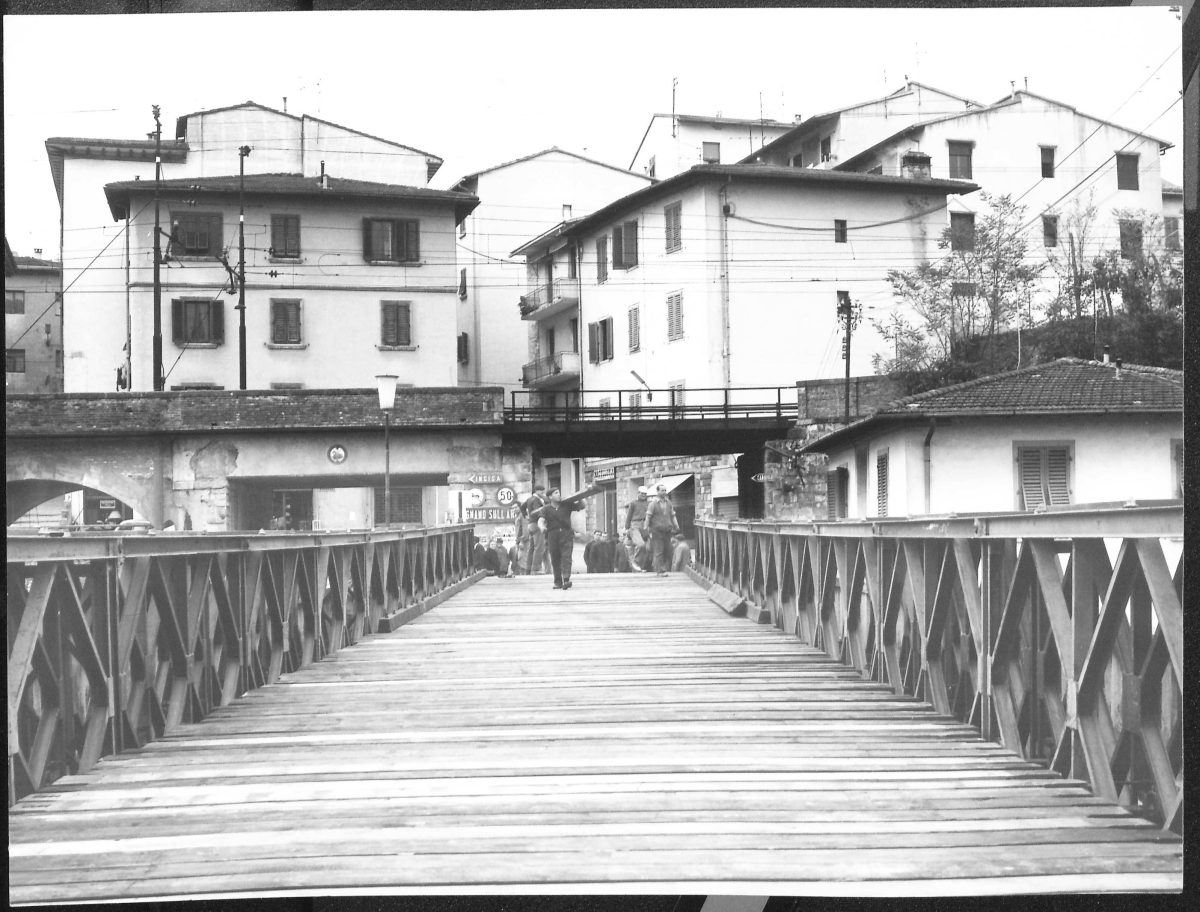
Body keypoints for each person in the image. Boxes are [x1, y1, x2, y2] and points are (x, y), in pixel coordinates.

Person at [530, 486, 598, 590]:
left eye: (559, 493)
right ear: (550, 497)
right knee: (555, 558)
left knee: (567, 557)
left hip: (566, 534)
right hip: (553, 535)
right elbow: (541, 520)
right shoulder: (546, 508)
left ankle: (566, 580)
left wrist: (580, 497)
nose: (559, 494)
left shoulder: (567, 504)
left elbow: (582, 506)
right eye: (556, 493)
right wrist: (542, 527)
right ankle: (558, 582)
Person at [642, 483, 680, 576]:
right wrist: (645, 529)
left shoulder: (669, 503)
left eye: (665, 490)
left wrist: (676, 526)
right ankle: (659, 571)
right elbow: (648, 517)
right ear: (657, 491)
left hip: (667, 530)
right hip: (657, 530)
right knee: (658, 551)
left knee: (667, 550)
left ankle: (663, 568)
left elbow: (673, 515)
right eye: (662, 490)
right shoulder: (653, 504)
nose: (664, 492)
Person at [521, 485, 549, 574]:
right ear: (536, 491)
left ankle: (528, 569)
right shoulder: (536, 500)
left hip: (530, 525)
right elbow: (538, 512)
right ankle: (536, 569)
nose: (542, 493)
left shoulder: (529, 499)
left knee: (531, 548)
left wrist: (525, 515)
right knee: (539, 548)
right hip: (537, 525)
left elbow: (522, 506)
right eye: (541, 491)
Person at [624, 487, 650, 571]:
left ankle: (640, 567)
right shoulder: (633, 503)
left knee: (648, 548)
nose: (643, 495)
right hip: (635, 524)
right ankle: (635, 562)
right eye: (642, 493)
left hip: (646, 525)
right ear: (638, 493)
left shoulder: (649, 503)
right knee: (640, 545)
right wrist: (627, 528)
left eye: (645, 494)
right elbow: (629, 516)